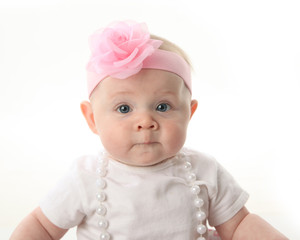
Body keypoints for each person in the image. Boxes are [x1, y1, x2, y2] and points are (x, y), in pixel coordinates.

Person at [10, 21, 288, 240]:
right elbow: (42, 228)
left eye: (163, 107)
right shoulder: (85, 178)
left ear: (189, 113)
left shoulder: (205, 170)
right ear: (92, 119)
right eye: (124, 109)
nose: (145, 121)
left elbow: (239, 225)